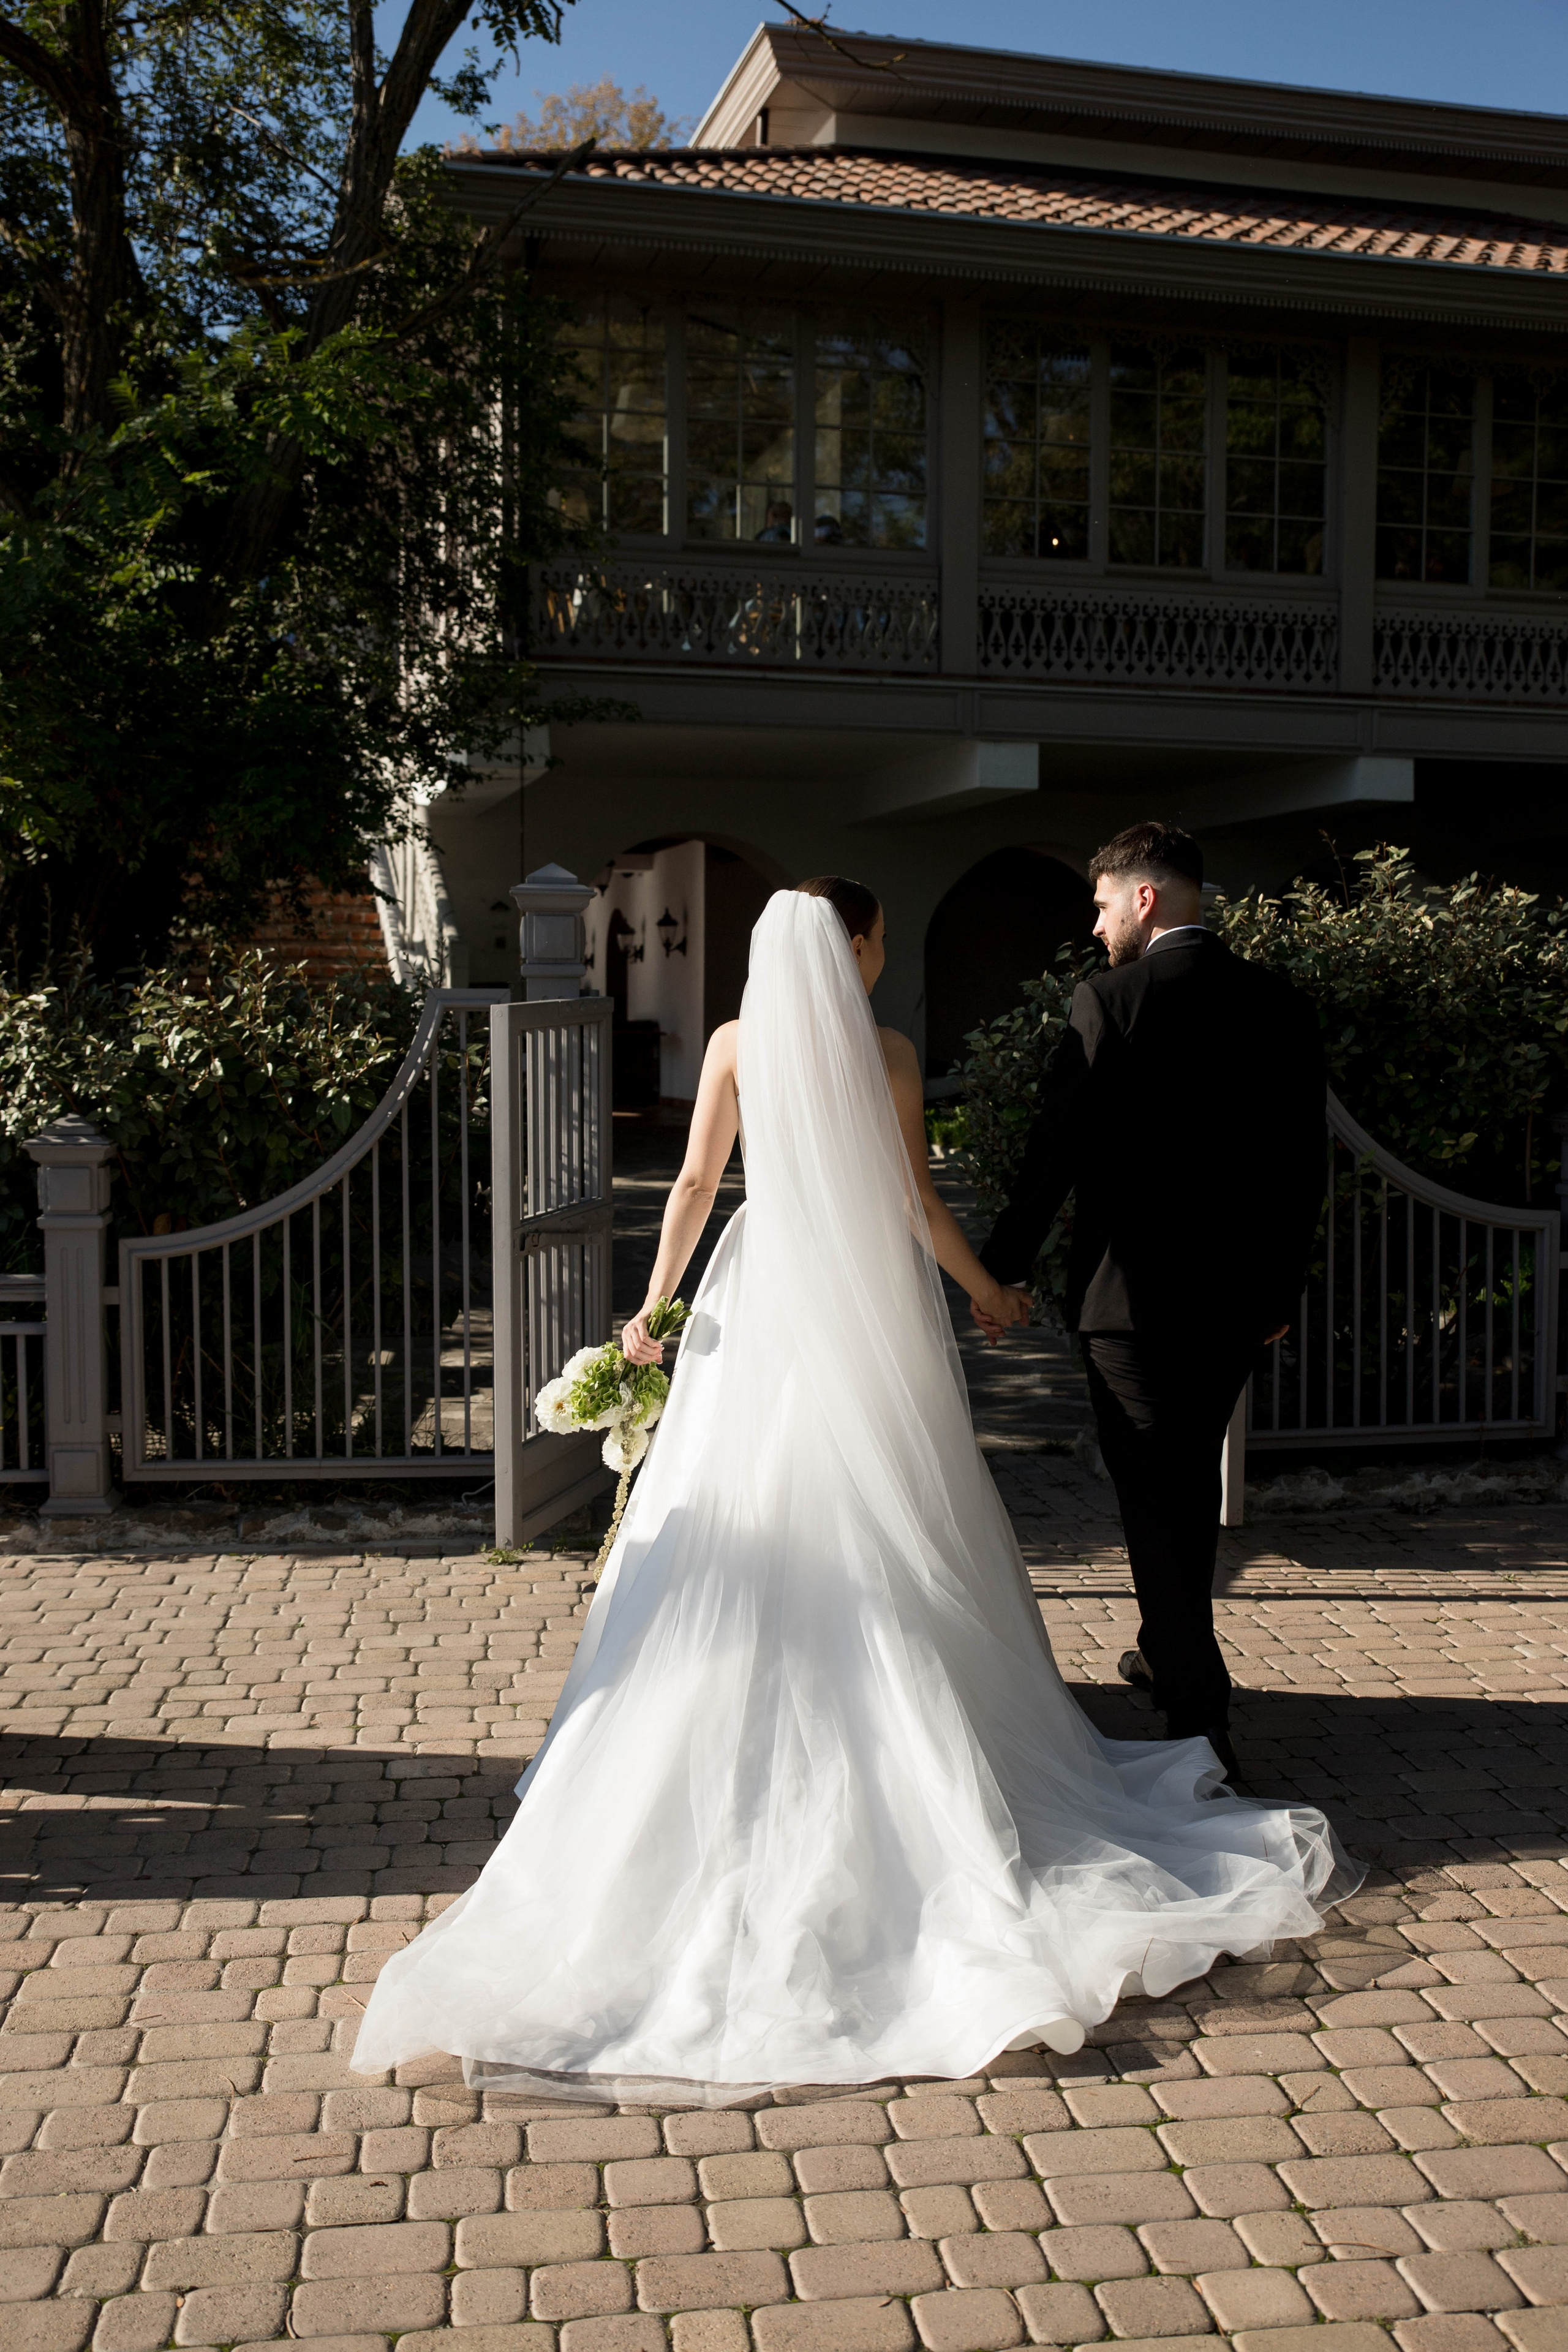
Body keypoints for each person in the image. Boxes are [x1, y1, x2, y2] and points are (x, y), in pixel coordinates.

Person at [352, 877, 1354, 2105]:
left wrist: (654, 1310)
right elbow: (909, 1201)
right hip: (859, 1303)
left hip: (754, 1287)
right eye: (872, 939)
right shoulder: (883, 1051)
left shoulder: (728, 1044)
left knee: (736, 1516)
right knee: (888, 1504)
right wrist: (986, 1293)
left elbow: (686, 1188)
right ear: (859, 944)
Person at [977, 821, 1327, 1783]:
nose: (1094, 927)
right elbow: (1302, 1167)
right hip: (1235, 1307)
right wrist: (1277, 1287)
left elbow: (1055, 1154)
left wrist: (997, 1270)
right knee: (1183, 1490)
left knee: (1156, 1500)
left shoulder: (1110, 1002)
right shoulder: (1279, 1003)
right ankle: (1167, 1652)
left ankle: (1197, 1712)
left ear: (1145, 898)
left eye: (1099, 904)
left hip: (1127, 1305)